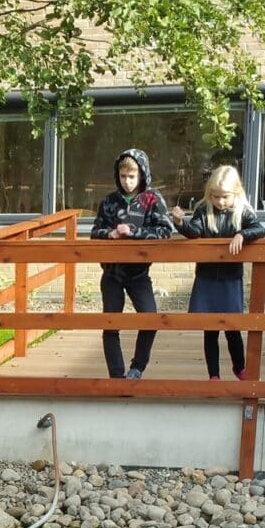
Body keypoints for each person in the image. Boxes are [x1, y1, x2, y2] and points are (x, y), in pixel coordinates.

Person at [174, 165, 265, 380]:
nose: (220, 202)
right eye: (215, 197)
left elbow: (260, 229)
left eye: (225, 197)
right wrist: (180, 223)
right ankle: (213, 375)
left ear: (235, 193)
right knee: (210, 330)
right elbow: (195, 232)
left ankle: (240, 368)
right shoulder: (203, 210)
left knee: (233, 328)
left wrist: (242, 234)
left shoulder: (242, 211)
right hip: (207, 278)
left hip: (230, 278)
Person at [89, 149, 175, 380]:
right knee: (111, 323)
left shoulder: (152, 199)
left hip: (139, 274)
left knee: (150, 318)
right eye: (123, 176)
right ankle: (116, 376)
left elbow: (165, 231)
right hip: (112, 273)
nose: (127, 181)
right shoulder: (109, 201)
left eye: (132, 176)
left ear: (141, 175)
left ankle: (137, 367)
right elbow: (95, 232)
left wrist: (134, 231)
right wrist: (109, 234)